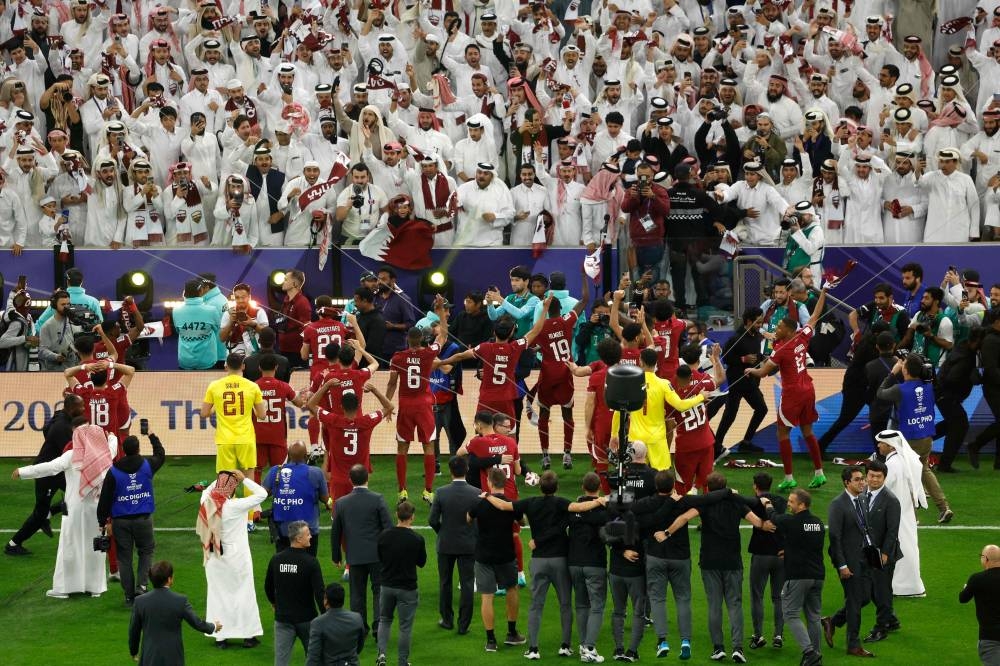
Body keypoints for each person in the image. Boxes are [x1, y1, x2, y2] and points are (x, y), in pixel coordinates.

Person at [484, 471, 608, 659]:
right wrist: (599, 501)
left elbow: (502, 505)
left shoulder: (530, 502)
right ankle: (565, 646)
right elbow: (581, 508)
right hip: (560, 560)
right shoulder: (561, 503)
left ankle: (533, 649)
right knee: (565, 604)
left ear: (539, 486)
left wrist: (486, 495)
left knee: (536, 605)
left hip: (539, 561)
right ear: (557, 488)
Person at [12, 422, 116, 598]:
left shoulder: (72, 455)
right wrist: (112, 436)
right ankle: (95, 588)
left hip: (74, 510)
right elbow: (112, 446)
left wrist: (23, 471)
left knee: (69, 547)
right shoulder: (105, 454)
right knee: (96, 548)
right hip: (97, 510)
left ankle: (63, 589)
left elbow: (49, 468)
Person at [745, 286, 830, 491]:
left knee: (782, 433)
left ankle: (789, 477)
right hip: (808, 389)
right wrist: (824, 293)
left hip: (792, 393)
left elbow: (764, 372)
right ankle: (819, 473)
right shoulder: (803, 336)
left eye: (780, 327)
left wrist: (751, 371)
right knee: (808, 430)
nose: (777, 329)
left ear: (789, 331)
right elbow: (815, 316)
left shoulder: (781, 350)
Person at [823, 465, 899, 658]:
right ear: (846, 482)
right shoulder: (838, 504)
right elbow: (835, 537)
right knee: (856, 602)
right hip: (849, 561)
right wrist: (842, 565)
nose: (863, 482)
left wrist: (875, 554)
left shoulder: (862, 499)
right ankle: (853, 644)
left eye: (862, 479)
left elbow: (866, 531)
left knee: (865, 597)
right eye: (857, 479)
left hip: (865, 557)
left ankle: (832, 621)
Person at [876, 353, 954, 523]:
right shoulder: (929, 386)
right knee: (924, 470)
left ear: (905, 370)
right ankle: (944, 507)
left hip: (908, 439)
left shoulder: (899, 390)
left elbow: (880, 393)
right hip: (926, 435)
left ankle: (912, 516)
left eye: (903, 365)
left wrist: (891, 373)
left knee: (906, 476)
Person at [6, 393, 83, 555]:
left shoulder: (60, 417)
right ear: (72, 408)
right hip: (46, 474)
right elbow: (71, 453)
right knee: (39, 514)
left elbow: (46, 430)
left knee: (79, 494)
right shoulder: (62, 427)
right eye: (80, 406)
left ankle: (51, 512)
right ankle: (13, 544)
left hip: (57, 470)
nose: (83, 409)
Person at [197, 470, 266, 649]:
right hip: (238, 558)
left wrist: (223, 478)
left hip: (214, 558)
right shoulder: (236, 506)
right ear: (231, 490)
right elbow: (262, 494)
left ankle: (220, 638)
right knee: (244, 593)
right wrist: (244, 480)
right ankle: (249, 637)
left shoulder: (206, 501)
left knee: (217, 595)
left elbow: (211, 489)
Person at [97, 431, 166, 605]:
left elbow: (104, 499)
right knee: (146, 552)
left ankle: (129, 595)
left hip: (121, 522)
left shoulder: (113, 471)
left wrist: (102, 522)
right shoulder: (147, 465)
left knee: (124, 558)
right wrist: (151, 435)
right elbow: (160, 455)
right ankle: (141, 587)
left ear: (123, 450)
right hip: (143, 519)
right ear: (138, 449)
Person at [610, 348, 705, 471]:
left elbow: (619, 411)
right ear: (656, 364)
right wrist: (701, 397)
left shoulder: (630, 383)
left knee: (634, 477)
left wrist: (614, 434)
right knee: (662, 476)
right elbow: (680, 405)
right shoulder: (664, 384)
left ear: (641, 362)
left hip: (636, 439)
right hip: (657, 438)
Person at [761, 490, 826, 666]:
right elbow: (806, 545)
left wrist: (767, 503)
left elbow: (774, 517)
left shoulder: (792, 522)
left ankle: (809, 652)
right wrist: (789, 552)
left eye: (792, 502)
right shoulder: (818, 523)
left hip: (798, 575)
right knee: (813, 616)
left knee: (790, 613)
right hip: (817, 575)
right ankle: (817, 657)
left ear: (802, 505)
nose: (789, 504)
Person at [200, 352, 267, 523]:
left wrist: (218, 408)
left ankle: (226, 516)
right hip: (245, 438)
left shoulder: (214, 386)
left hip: (225, 439)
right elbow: (261, 415)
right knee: (248, 477)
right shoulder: (252, 387)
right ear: (243, 366)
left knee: (226, 479)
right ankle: (250, 520)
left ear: (226, 366)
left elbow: (204, 413)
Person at [386, 323, 447, 504]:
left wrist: (388, 406)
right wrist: (442, 313)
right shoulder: (428, 353)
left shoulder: (398, 358)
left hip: (405, 405)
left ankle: (402, 491)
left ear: (407, 339)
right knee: (428, 446)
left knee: (402, 448)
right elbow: (442, 337)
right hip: (423, 406)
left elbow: (391, 384)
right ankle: (428, 491)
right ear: (421, 339)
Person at [467, 466, 527, 652]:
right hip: (506, 555)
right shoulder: (511, 504)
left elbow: (468, 518)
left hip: (483, 555)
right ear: (506, 482)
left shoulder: (479, 504)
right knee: (512, 590)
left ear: (489, 483)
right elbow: (522, 522)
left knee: (487, 597)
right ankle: (511, 633)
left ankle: (491, 640)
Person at [330, 464, 393, 636]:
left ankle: (359, 629)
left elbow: (336, 532)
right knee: (379, 590)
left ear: (350, 480)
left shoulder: (341, 503)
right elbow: (388, 528)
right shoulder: (377, 499)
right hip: (377, 556)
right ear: (368, 478)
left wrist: (336, 555)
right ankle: (378, 628)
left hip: (355, 556)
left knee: (357, 594)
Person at [128, 560, 222, 666]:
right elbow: (196, 623)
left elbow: (134, 631)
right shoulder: (180, 601)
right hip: (173, 656)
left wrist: (133, 651)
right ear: (169, 579)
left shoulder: (140, 602)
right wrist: (213, 627)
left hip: (150, 655)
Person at [429, 455, 482, 635]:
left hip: (446, 544)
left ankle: (447, 620)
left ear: (451, 471)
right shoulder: (476, 493)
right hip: (468, 544)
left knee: (445, 582)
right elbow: (481, 521)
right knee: (467, 583)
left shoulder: (441, 492)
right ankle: (463, 625)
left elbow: (432, 520)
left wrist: (442, 532)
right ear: (466, 470)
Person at [265, 520, 326, 666]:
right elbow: (319, 593)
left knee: (281, 662)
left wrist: (274, 602)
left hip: (283, 619)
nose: (311, 536)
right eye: (307, 534)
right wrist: (325, 615)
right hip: (307, 620)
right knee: (315, 660)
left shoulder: (276, 559)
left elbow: (268, 587)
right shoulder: (311, 562)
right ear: (298, 539)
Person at [874, 430, 926, 597]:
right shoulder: (903, 461)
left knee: (899, 547)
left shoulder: (893, 465)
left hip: (895, 513)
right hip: (906, 511)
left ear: (890, 446)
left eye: (881, 443)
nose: (878, 445)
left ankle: (904, 587)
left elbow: (882, 489)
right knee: (908, 546)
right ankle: (907, 585)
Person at [376, 501, 427, 666]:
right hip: (407, 588)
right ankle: (402, 662)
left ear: (396, 515)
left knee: (384, 620)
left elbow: (380, 558)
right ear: (412, 517)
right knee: (405, 627)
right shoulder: (417, 539)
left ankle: (382, 655)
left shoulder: (383, 536)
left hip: (387, 585)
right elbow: (422, 562)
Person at [714, 307, 768, 457]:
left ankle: (746, 443)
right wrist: (742, 359)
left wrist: (763, 358)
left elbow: (756, 353)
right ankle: (716, 446)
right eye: (758, 322)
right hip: (736, 381)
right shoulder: (736, 338)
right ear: (748, 321)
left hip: (751, 382)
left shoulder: (757, 336)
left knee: (762, 409)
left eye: (761, 322)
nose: (760, 325)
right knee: (730, 414)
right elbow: (725, 357)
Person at [568, 472, 609, 663]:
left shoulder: (573, 508)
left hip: (574, 563)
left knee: (582, 605)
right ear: (599, 487)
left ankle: (583, 645)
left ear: (583, 487)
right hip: (595, 564)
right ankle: (589, 648)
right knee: (597, 606)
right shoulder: (604, 510)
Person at [264, 442, 329, 555]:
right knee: (308, 563)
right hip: (308, 531)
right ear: (306, 456)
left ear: (288, 455)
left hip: (283, 529)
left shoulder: (276, 471)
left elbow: (263, 494)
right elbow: (325, 499)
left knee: (283, 564)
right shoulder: (315, 472)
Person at [746, 473, 787, 652]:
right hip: (780, 555)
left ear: (755, 486)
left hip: (761, 554)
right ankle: (778, 635)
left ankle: (758, 635)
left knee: (757, 596)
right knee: (778, 597)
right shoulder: (782, 501)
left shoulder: (753, 502)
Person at [253, 353, 306, 484]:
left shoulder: (253, 386)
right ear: (276, 367)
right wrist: (302, 395)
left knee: (256, 469)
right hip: (277, 434)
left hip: (257, 434)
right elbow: (299, 403)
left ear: (259, 368)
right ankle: (279, 494)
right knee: (279, 469)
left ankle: (255, 496)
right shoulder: (284, 386)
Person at [306, 583, 366, 666]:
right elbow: (359, 646)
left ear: (326, 600)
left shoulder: (318, 623)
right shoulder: (357, 618)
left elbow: (313, 657)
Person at [959, 544, 1000, 666]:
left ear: (986, 559)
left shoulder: (977, 579)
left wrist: (967, 587)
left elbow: (963, 598)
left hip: (990, 638)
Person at [173, 279, 222, 370]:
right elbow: (216, 329)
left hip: (185, 361)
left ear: (185, 293)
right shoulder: (211, 310)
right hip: (207, 361)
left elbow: (178, 331)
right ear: (201, 291)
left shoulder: (176, 311)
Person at [38, 289, 82, 372]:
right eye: (63, 304)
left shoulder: (76, 322)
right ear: (55, 305)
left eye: (68, 304)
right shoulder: (47, 326)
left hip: (75, 369)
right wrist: (56, 357)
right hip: (56, 371)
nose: (66, 307)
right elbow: (41, 350)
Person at [219, 282, 269, 356]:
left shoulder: (258, 311)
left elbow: (267, 335)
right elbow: (222, 338)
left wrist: (253, 324)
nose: (240, 300)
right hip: (235, 356)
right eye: (237, 297)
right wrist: (231, 321)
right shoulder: (229, 313)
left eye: (243, 297)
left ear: (249, 297)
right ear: (234, 298)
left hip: (255, 355)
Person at [277, 269, 312, 369]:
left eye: (286, 279)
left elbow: (307, 329)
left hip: (296, 353)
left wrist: (302, 344)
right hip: (283, 350)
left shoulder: (302, 302)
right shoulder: (286, 300)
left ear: (294, 283)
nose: (283, 282)